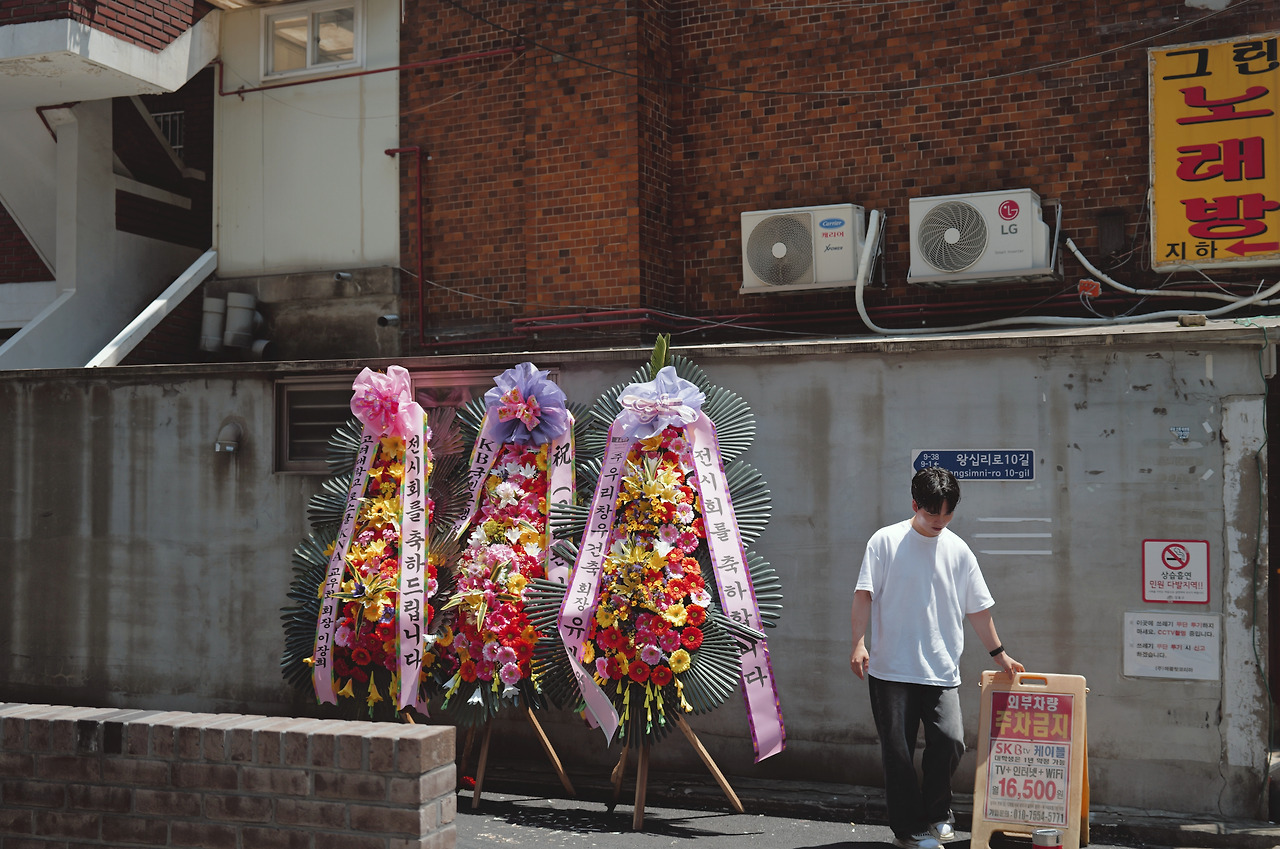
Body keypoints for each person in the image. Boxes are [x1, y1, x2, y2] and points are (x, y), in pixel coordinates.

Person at [850, 466, 1024, 849]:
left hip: (941, 667)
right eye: (932, 513)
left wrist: (999, 654)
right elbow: (864, 594)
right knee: (898, 752)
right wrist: (858, 643)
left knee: (950, 740)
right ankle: (908, 829)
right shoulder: (884, 542)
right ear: (915, 504)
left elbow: (978, 608)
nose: (940, 521)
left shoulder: (958, 550)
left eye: (948, 513)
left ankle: (937, 812)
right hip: (891, 668)